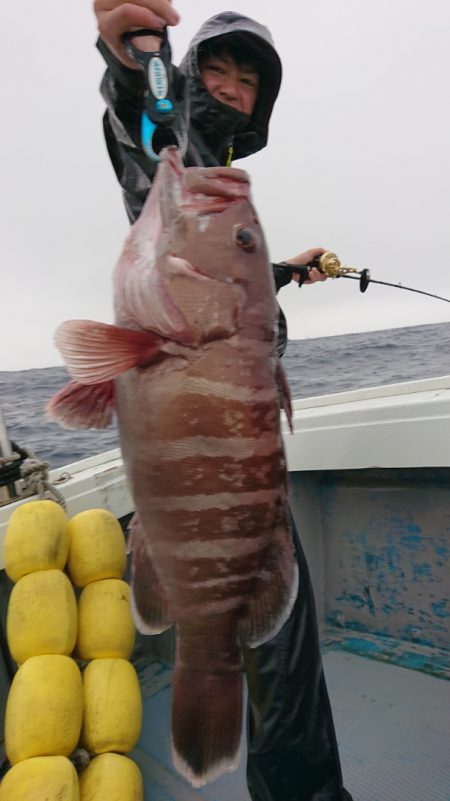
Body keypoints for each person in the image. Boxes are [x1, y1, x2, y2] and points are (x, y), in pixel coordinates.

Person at [93, 3, 354, 800]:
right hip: (225, 476)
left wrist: (273, 269)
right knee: (285, 688)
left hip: (243, 472)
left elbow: (214, 296)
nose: (234, 90)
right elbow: (145, 127)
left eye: (249, 81)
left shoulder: (215, 181)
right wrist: (134, 59)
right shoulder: (179, 157)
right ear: (189, 72)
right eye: (220, 71)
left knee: (289, 667)